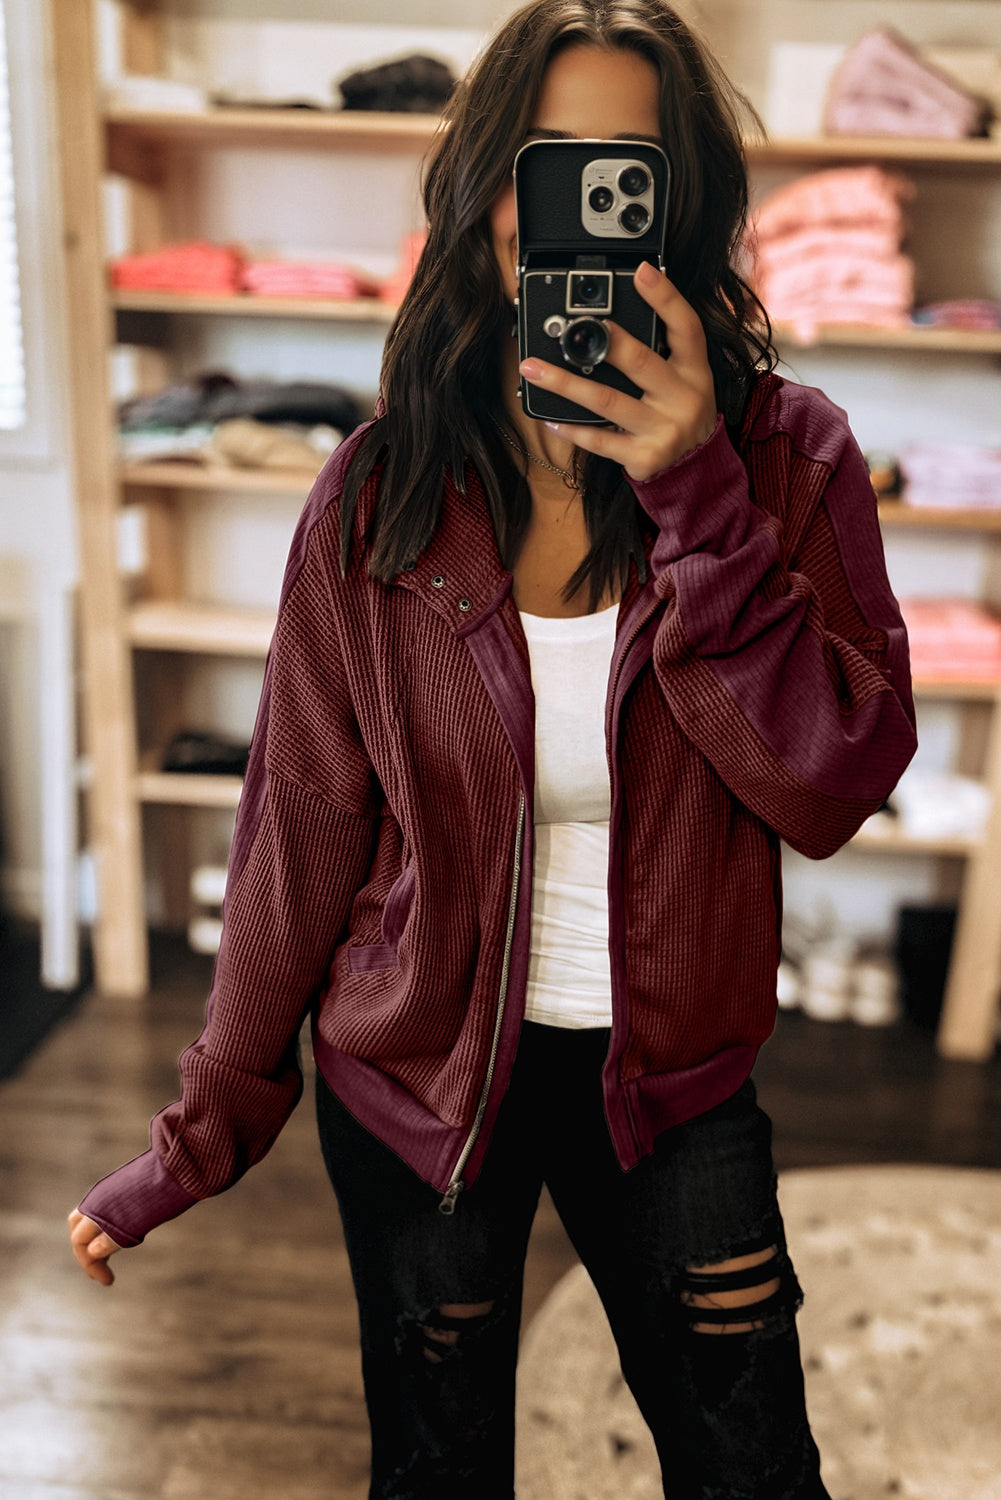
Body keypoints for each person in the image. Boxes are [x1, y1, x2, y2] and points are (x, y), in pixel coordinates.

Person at [69, 3, 918, 1496]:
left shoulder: (790, 461)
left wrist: (696, 493)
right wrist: (196, 1138)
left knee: (753, 1468)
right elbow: (298, 840)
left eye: (626, 171)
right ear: (484, 198)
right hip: (415, 1089)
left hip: (675, 1091)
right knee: (438, 1472)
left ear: (683, 207)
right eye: (548, 166)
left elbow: (834, 782)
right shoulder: (379, 494)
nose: (581, 214)